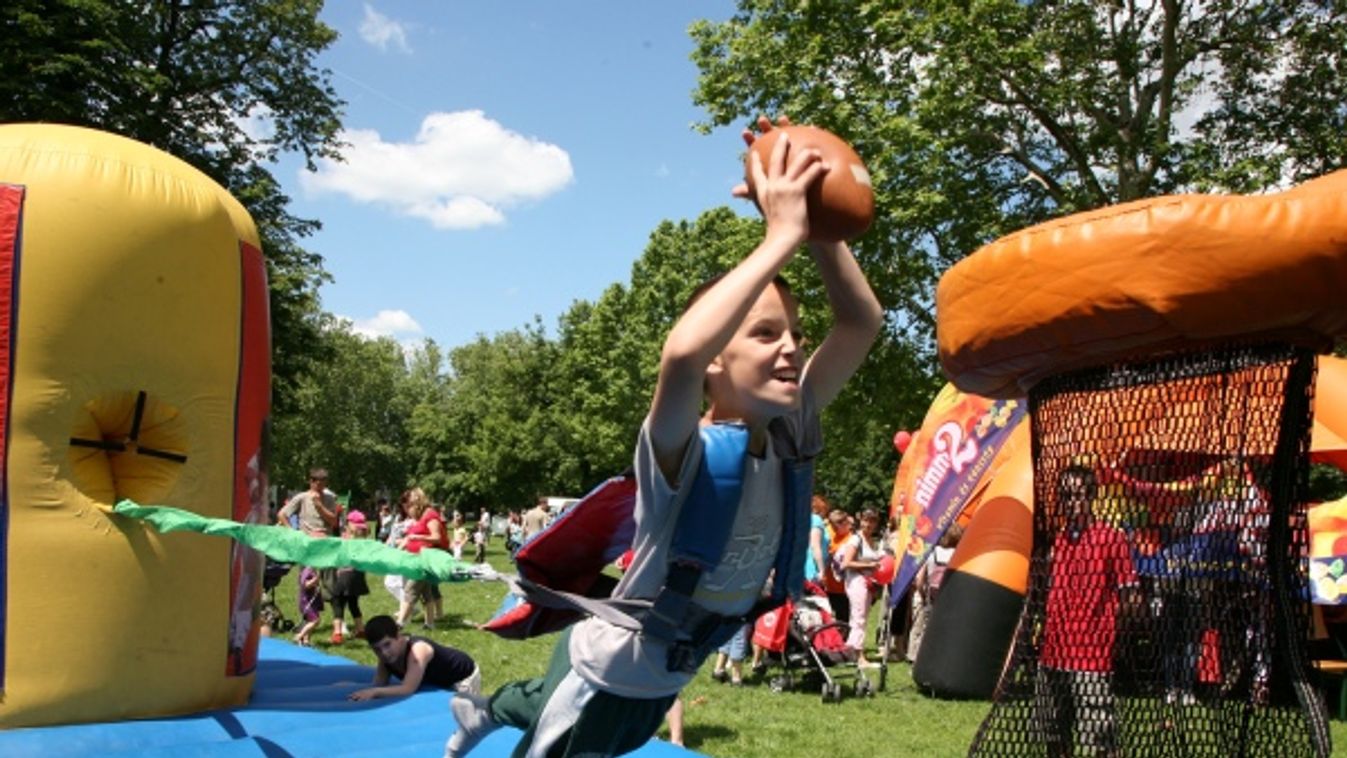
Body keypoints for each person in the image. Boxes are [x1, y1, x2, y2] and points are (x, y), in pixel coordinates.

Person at [445, 115, 882, 758]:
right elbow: (679, 354)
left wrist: (819, 228)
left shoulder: (791, 434)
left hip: (662, 681)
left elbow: (861, 320)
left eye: (794, 332)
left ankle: (485, 708)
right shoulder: (686, 453)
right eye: (765, 335)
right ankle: (487, 711)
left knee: (543, 706)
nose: (791, 348)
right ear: (716, 364)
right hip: (604, 674)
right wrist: (781, 234)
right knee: (550, 721)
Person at [1036, 465, 1139, 758]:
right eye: (1066, 495)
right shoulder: (1058, 539)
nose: (1071, 501)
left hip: (1091, 656)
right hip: (1054, 652)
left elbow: (1129, 594)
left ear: (1091, 496)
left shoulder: (1111, 538)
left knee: (1101, 740)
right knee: (1054, 735)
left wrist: (1116, 633)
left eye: (1077, 494)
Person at [348, 615, 481, 701]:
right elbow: (379, 683)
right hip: (437, 679)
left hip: (462, 677)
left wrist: (375, 692)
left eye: (387, 645)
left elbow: (407, 688)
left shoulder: (418, 650)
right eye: (377, 649)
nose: (384, 653)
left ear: (399, 637)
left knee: (464, 713)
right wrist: (355, 687)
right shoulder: (385, 657)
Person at [836, 507, 884, 666]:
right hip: (856, 581)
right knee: (859, 618)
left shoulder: (872, 540)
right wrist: (870, 564)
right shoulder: (856, 539)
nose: (869, 524)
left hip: (868, 583)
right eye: (866, 520)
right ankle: (859, 656)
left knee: (858, 618)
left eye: (872, 521)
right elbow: (846, 563)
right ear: (860, 520)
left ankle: (850, 652)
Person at [396, 488, 448, 629]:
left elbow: (437, 537)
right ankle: (430, 623)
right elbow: (412, 537)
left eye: (408, 507)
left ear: (415, 503)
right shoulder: (420, 518)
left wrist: (417, 537)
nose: (407, 511)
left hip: (426, 559)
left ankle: (399, 623)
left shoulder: (430, 515)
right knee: (426, 592)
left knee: (410, 589)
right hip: (418, 558)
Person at [329, 510, 371, 644]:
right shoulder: (364, 540)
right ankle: (360, 630)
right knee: (353, 603)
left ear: (350, 524)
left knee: (337, 601)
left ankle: (337, 633)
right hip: (358, 576)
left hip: (345, 575)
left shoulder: (346, 539)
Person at [276, 467, 338, 537]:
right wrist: (292, 532)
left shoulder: (330, 498)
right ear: (311, 481)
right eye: (317, 484)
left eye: (322, 484)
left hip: (326, 540)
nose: (319, 487)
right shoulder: (302, 497)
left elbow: (333, 522)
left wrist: (319, 506)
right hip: (307, 540)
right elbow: (281, 514)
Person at [823, 508, 853, 627]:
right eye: (833, 526)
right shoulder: (829, 533)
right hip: (828, 585)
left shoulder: (852, 538)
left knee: (843, 620)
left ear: (845, 523)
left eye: (837, 526)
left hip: (844, 587)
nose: (835, 529)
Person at [294, 565, 323, 647]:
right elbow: (306, 585)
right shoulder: (307, 570)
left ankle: (306, 641)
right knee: (315, 620)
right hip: (307, 601)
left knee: (309, 621)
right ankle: (299, 636)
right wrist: (317, 578)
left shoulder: (312, 569)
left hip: (311, 601)